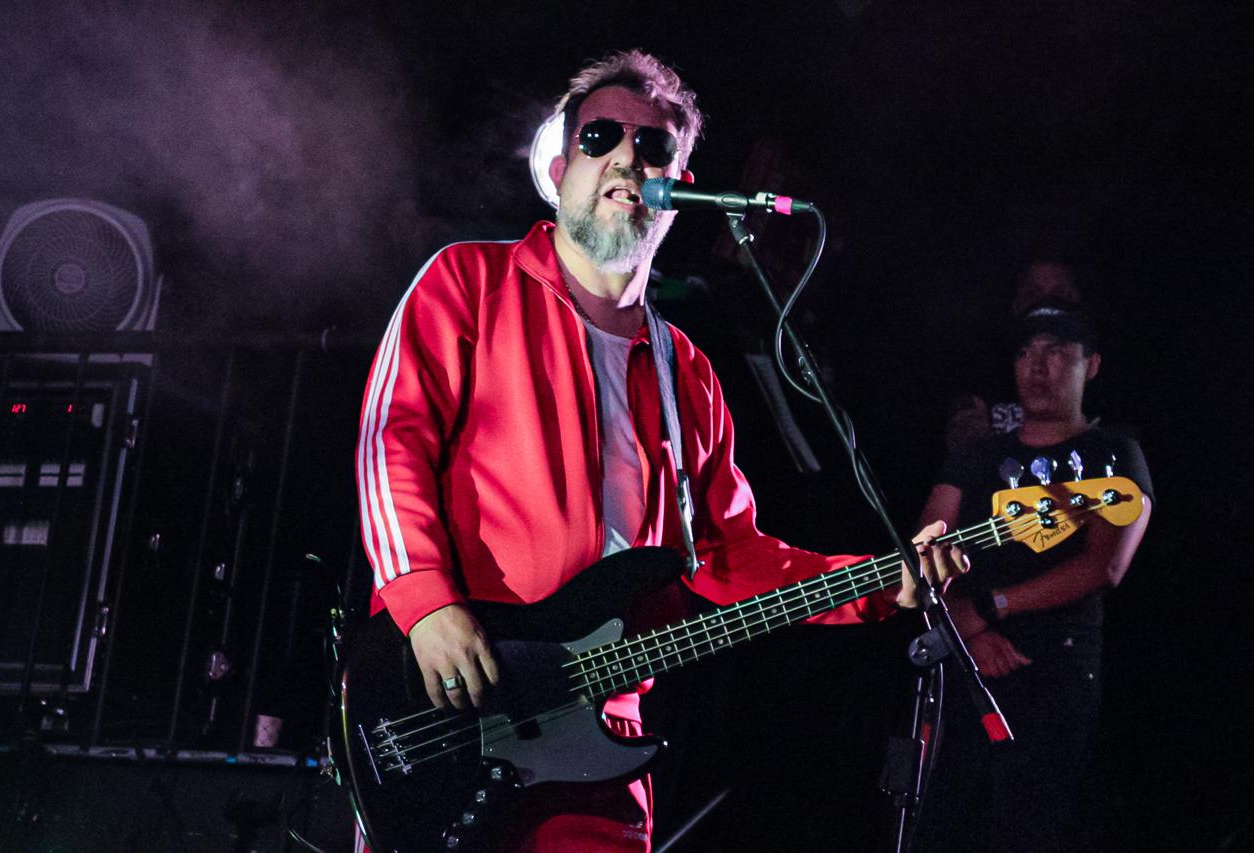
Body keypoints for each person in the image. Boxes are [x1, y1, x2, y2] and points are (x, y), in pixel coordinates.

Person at [356, 50, 966, 852]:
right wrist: (426, 603)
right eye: (600, 136)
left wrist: (878, 582)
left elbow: (729, 554)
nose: (626, 157)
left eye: (652, 147)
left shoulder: (688, 373)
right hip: (451, 694)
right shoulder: (468, 282)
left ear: (679, 188)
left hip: (600, 742)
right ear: (560, 168)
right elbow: (391, 444)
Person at [915, 300, 1153, 852]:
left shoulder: (1114, 454)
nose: (1037, 366)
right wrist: (968, 633)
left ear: (1092, 364)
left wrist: (989, 607)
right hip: (962, 662)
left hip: (1055, 672)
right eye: (1026, 352)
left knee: (1028, 827)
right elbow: (925, 548)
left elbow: (1104, 566)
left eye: (1056, 351)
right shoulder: (977, 456)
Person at [946, 259, 1086, 448]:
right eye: (1033, 294)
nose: (1045, 304)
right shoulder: (979, 374)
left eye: (1059, 294)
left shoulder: (1104, 375)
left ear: (1075, 300)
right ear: (1017, 304)